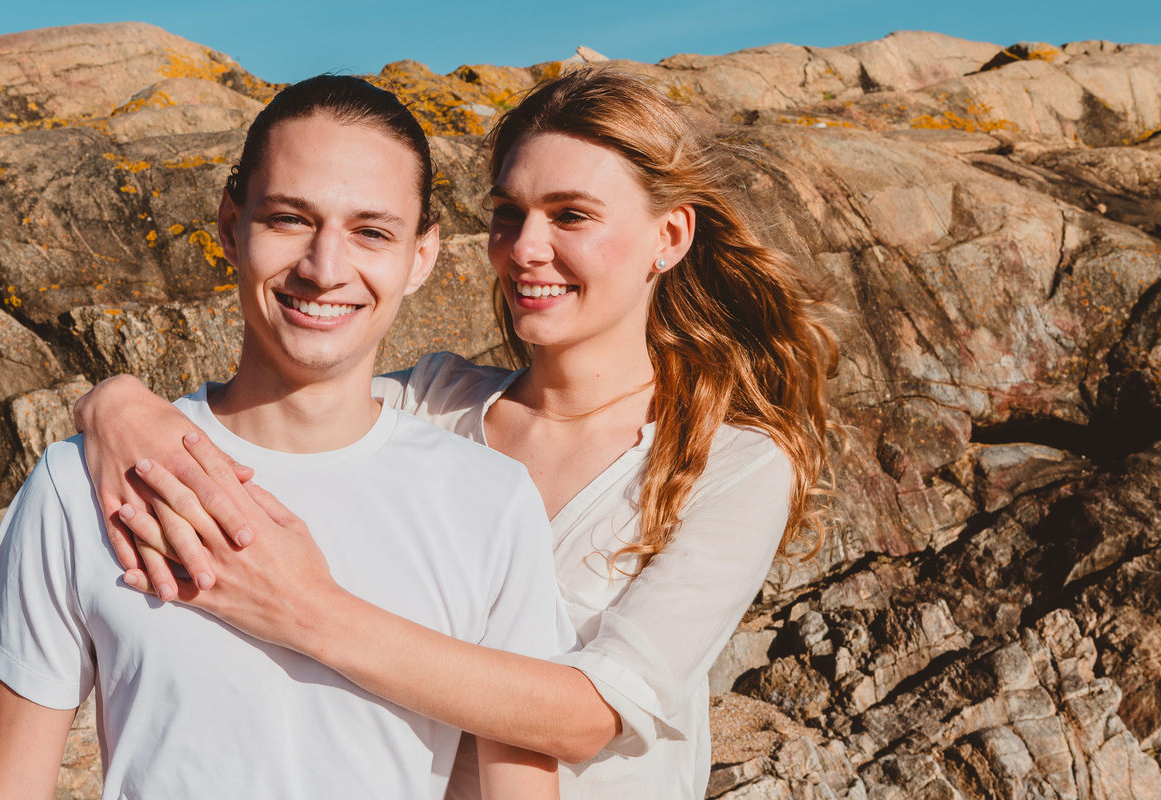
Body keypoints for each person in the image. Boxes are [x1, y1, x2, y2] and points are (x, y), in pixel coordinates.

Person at [73, 67, 839, 799]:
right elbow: (276, 410)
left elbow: (585, 716)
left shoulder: (733, 465)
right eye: (509, 214)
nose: (524, 248)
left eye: (569, 215)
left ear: (669, 236)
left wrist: (307, 609)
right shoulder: (432, 405)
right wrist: (116, 401)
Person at [0, 75, 572, 800]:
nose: (324, 269)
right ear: (230, 223)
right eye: (289, 218)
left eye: (372, 231)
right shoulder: (84, 487)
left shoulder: (489, 502)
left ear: (422, 256)